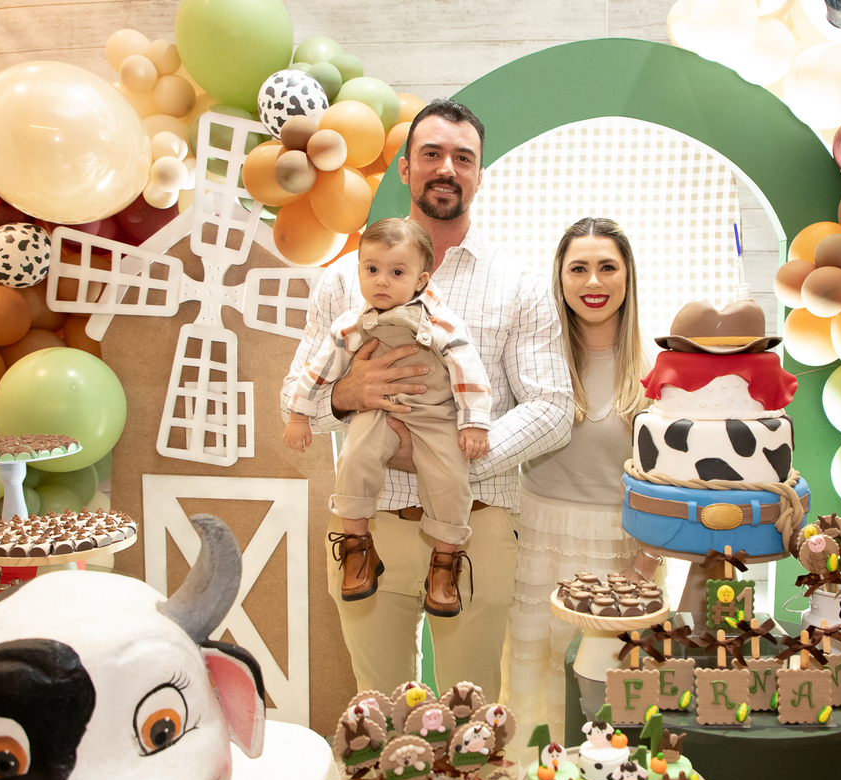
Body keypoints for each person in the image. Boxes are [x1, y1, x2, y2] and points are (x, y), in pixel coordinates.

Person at [280, 99, 572, 701]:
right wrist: (348, 394)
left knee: (472, 715)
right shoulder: (343, 279)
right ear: (405, 169)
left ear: (479, 175)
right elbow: (294, 394)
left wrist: (447, 456)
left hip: (476, 529)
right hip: (367, 528)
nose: (447, 168)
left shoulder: (518, 283)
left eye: (463, 158)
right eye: (431, 154)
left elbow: (552, 408)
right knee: (378, 713)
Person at [284, 217, 491, 617]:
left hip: (434, 416)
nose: (382, 281)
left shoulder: (440, 321)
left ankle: (445, 561)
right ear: (359, 269)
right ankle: (357, 546)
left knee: (450, 478)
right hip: (378, 409)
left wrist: (474, 423)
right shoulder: (350, 324)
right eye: (372, 269)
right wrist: (298, 415)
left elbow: (468, 370)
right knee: (354, 459)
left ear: (420, 280)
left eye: (397, 273)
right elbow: (318, 371)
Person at [506, 217, 655, 743]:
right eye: (579, 269)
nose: (593, 282)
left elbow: (669, 480)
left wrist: (646, 564)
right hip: (535, 540)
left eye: (607, 267)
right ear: (560, 277)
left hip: (623, 549)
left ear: (627, 276)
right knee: (536, 678)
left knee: (608, 690)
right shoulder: (532, 360)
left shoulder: (657, 368)